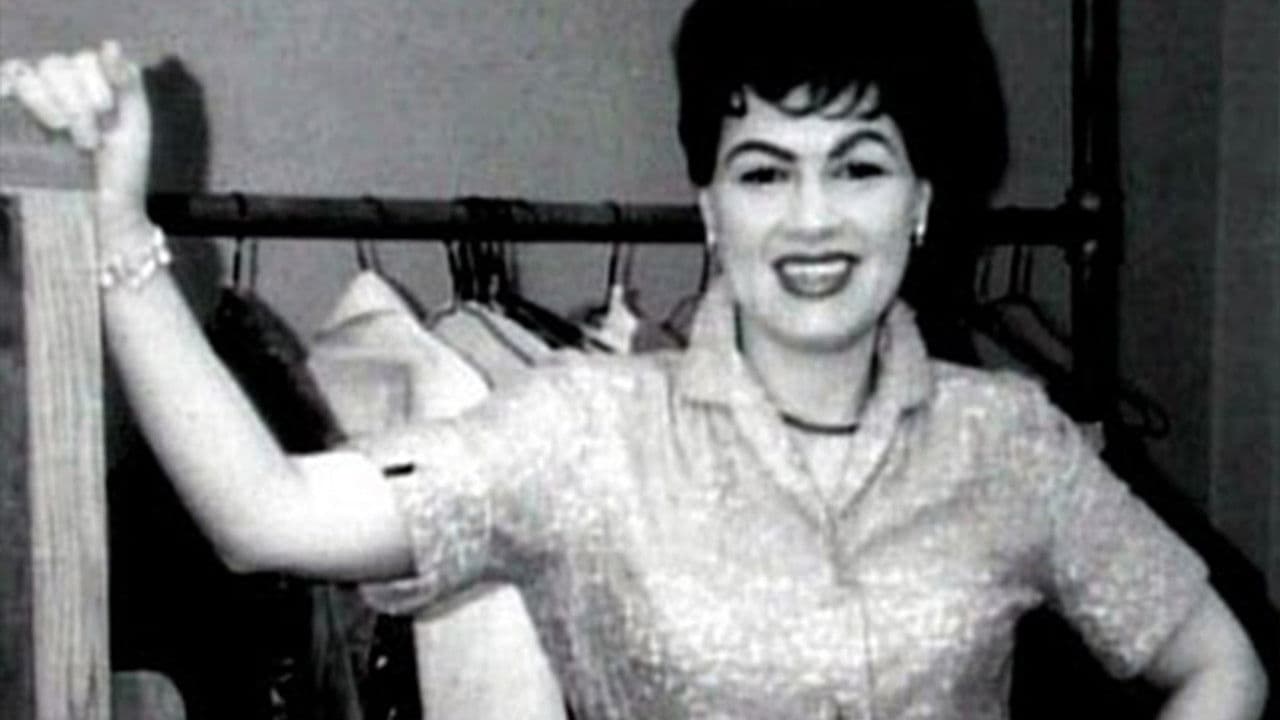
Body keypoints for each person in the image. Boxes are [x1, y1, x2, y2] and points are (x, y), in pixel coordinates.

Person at [0, 0, 1268, 717]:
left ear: (920, 202)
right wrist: (118, 230)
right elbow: (262, 515)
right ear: (709, 207)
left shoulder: (1008, 442)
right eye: (762, 172)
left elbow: (1220, 664)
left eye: (857, 167)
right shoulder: (586, 432)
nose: (812, 220)